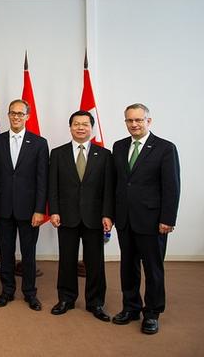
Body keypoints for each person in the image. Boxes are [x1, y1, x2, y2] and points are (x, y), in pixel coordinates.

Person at [112, 103, 180, 335]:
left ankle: (152, 313)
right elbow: (117, 184)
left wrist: (168, 218)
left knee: (153, 268)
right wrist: (110, 214)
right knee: (128, 267)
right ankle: (130, 307)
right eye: (130, 120)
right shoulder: (119, 147)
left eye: (139, 120)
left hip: (153, 221)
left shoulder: (164, 148)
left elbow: (171, 187)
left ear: (148, 121)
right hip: (125, 219)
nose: (134, 124)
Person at [49, 110, 114, 322]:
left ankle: (95, 302)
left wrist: (107, 214)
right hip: (66, 215)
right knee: (66, 260)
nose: (80, 127)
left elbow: (108, 189)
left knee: (95, 262)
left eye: (85, 124)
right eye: (76, 124)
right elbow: (53, 186)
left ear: (91, 128)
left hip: (95, 217)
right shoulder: (57, 154)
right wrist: (54, 211)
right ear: (70, 127)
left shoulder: (104, 155)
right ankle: (66, 299)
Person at [0, 99, 48, 311]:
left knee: (28, 254)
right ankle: (7, 291)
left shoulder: (39, 143)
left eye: (20, 114)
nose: (16, 117)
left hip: (29, 210)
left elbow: (42, 179)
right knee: (6, 252)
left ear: (28, 116)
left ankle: (30, 293)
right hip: (3, 208)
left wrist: (39, 210)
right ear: (8, 116)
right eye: (12, 113)